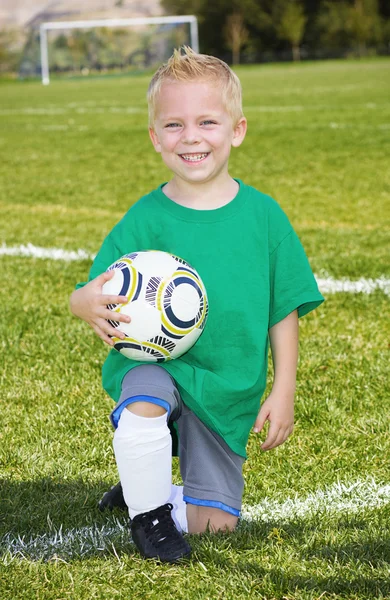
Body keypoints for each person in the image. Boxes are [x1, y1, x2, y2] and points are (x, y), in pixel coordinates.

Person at [70, 47, 324, 563]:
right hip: (154, 363)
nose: (191, 136)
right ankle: (149, 515)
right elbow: (90, 289)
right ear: (155, 137)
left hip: (225, 385)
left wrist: (285, 389)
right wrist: (82, 304)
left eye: (207, 121)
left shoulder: (265, 218)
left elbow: (283, 308)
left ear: (237, 130)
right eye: (174, 124)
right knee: (144, 396)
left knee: (216, 526)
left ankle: (146, 486)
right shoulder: (145, 218)